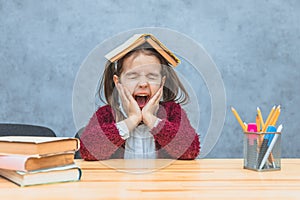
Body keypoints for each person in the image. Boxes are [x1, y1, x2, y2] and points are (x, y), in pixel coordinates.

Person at [79, 38, 200, 160]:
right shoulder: (106, 114)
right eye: (133, 76)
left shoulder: (173, 112)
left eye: (152, 76)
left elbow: (191, 151)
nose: (143, 84)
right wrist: (132, 120)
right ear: (118, 82)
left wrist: (151, 119)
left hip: (162, 179)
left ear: (162, 83)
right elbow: (87, 152)